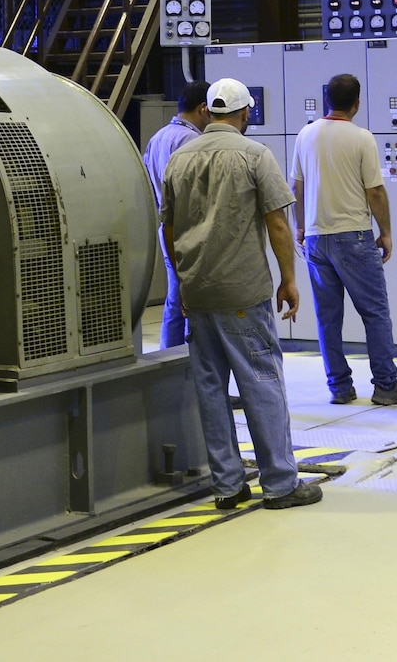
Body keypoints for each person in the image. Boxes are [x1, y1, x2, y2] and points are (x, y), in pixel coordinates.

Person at [159, 78, 321, 512]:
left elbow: (169, 228)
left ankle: (228, 486)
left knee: (211, 389)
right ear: (245, 113)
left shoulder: (179, 158)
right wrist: (289, 279)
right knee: (261, 382)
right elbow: (278, 223)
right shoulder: (254, 155)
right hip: (243, 292)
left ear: (209, 112)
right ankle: (281, 484)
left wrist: (183, 280)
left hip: (198, 291)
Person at [291, 73, 397, 407]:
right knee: (375, 313)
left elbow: (297, 187)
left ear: (326, 100)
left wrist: (301, 228)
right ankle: (386, 385)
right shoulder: (362, 138)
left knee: (327, 318)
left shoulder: (305, 134)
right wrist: (386, 232)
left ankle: (339, 387)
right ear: (357, 104)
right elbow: (374, 191)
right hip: (353, 237)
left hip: (317, 239)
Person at [142, 81, 210, 350]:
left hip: (166, 228)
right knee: (194, 298)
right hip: (190, 230)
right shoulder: (193, 141)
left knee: (174, 295)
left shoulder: (158, 137)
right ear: (203, 108)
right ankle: (196, 357)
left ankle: (168, 354)